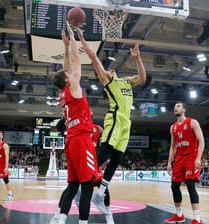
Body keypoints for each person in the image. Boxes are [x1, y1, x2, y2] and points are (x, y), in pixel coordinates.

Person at [77, 28, 146, 217]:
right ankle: (80, 186)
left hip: (126, 123)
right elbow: (94, 60)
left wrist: (137, 58)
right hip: (115, 118)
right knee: (103, 155)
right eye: (108, 69)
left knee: (116, 159)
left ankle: (100, 194)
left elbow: (143, 77)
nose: (110, 69)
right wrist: (84, 41)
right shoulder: (109, 81)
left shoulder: (127, 81)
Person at [49, 22, 97, 224]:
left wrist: (65, 46)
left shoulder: (63, 93)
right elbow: (76, 62)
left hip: (70, 141)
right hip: (81, 139)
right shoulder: (73, 87)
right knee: (87, 186)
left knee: (73, 184)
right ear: (68, 80)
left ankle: (60, 218)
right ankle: (83, 222)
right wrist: (73, 37)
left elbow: (66, 68)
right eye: (69, 75)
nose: (71, 73)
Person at [165, 102, 205, 224]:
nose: (175, 108)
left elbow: (201, 141)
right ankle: (179, 215)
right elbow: (173, 146)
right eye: (174, 107)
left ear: (184, 109)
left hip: (191, 157)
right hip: (180, 158)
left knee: (190, 185)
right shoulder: (173, 127)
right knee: (174, 186)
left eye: (178, 106)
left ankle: (197, 218)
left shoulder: (192, 122)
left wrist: (198, 158)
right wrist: (169, 162)